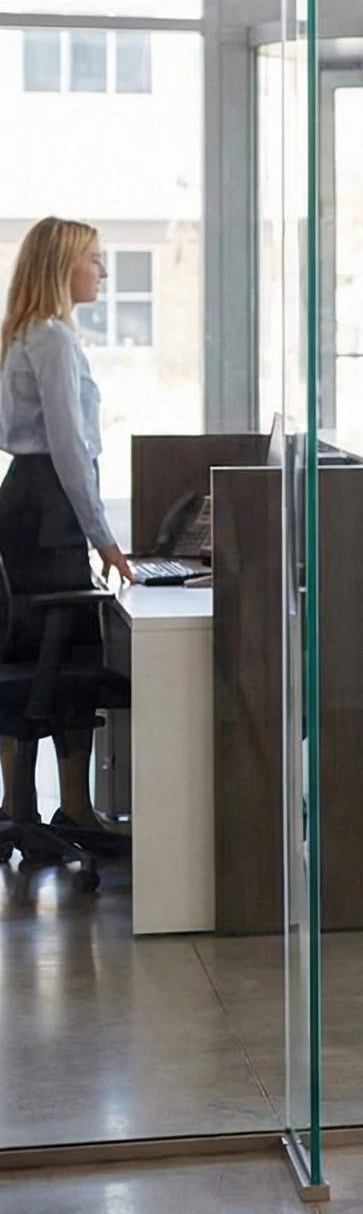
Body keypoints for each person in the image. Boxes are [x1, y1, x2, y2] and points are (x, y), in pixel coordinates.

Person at [0, 217, 127, 834]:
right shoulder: (52, 339)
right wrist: (103, 536)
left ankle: (16, 806)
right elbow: (71, 449)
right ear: (63, 268)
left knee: (25, 648)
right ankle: (75, 811)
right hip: (50, 504)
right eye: (95, 260)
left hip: (23, 499)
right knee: (72, 647)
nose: (102, 271)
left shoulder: (22, 333)